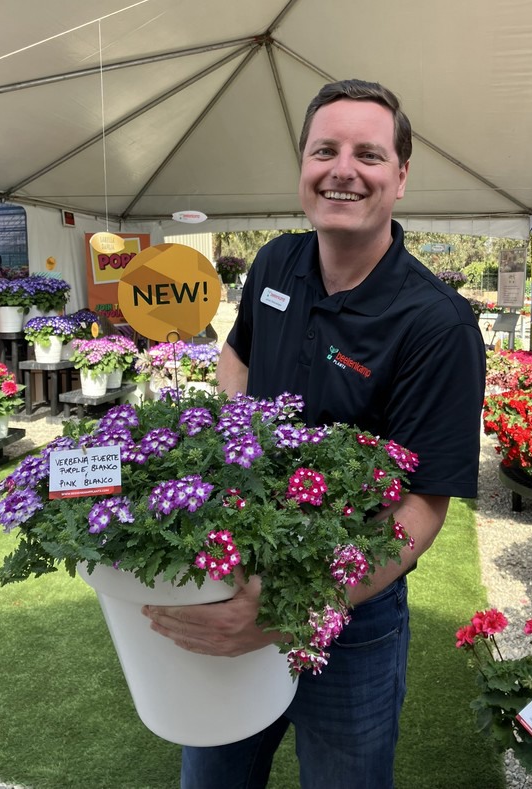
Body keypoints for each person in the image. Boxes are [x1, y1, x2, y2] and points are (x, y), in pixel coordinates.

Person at [142, 79, 486, 788]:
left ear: (401, 176)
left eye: (369, 154)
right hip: (239, 572)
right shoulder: (277, 262)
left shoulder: (436, 325)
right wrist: (238, 438)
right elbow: (237, 354)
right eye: (324, 150)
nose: (342, 170)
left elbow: (423, 507)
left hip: (352, 616)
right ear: (303, 164)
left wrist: (287, 609)